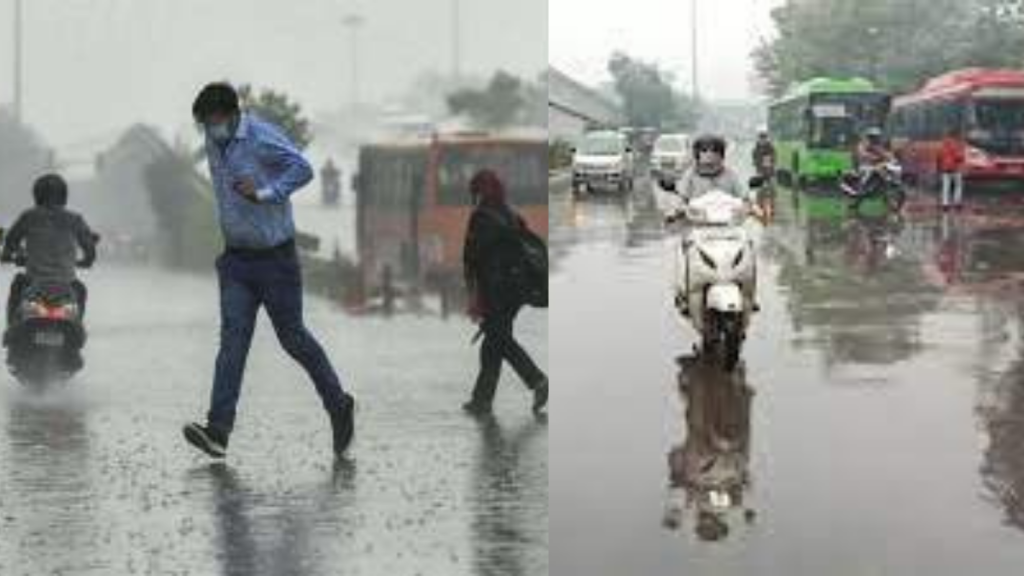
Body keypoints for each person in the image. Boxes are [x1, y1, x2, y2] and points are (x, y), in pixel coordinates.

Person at [182, 82, 354, 459]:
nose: (210, 131)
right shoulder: (214, 143)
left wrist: (264, 192)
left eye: (214, 122)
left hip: (275, 259)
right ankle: (219, 430)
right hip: (236, 262)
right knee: (232, 343)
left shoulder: (261, 137)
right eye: (204, 124)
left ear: (231, 115)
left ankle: (339, 406)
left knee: (293, 339)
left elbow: (303, 169)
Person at [462, 169, 548, 417]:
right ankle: (481, 400)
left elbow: (472, 258)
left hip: (495, 291)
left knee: (500, 341)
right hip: (516, 291)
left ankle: (538, 380)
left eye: (474, 192)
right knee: (492, 344)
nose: (474, 197)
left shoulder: (480, 218)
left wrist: (473, 294)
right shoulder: (511, 214)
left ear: (479, 192)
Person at [1, 174, 97, 333]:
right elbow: (90, 249)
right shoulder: (75, 219)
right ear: (64, 195)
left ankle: (11, 329)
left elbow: (11, 242)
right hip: (66, 287)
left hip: (32, 284)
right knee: (81, 289)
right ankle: (77, 329)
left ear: (37, 194)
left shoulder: (28, 216)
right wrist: (86, 261)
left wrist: (8, 255)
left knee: (17, 285)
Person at [676, 135, 749, 202]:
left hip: (726, 213)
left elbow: (744, 197)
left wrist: (743, 207)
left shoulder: (730, 174)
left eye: (714, 151)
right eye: (704, 151)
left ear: (721, 155)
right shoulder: (690, 175)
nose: (709, 154)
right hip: (698, 214)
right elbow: (682, 199)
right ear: (697, 154)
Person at [938, 130, 966, 211]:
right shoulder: (958, 144)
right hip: (955, 168)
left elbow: (939, 156)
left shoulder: (943, 144)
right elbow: (959, 156)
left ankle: (945, 205)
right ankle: (957, 204)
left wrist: (939, 167)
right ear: (956, 135)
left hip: (945, 168)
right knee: (958, 186)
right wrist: (961, 160)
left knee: (945, 187)